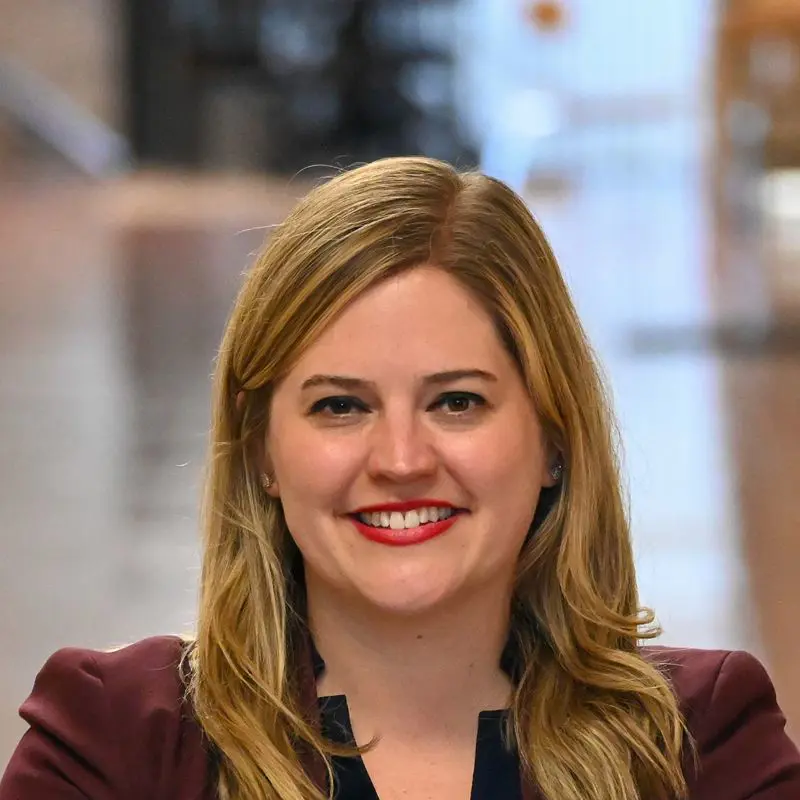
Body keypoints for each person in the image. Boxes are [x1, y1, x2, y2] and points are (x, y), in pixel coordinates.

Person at [1, 157, 798, 800]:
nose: (402, 459)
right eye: (341, 406)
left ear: (555, 435)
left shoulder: (700, 747)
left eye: (457, 401)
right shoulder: (114, 746)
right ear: (260, 453)